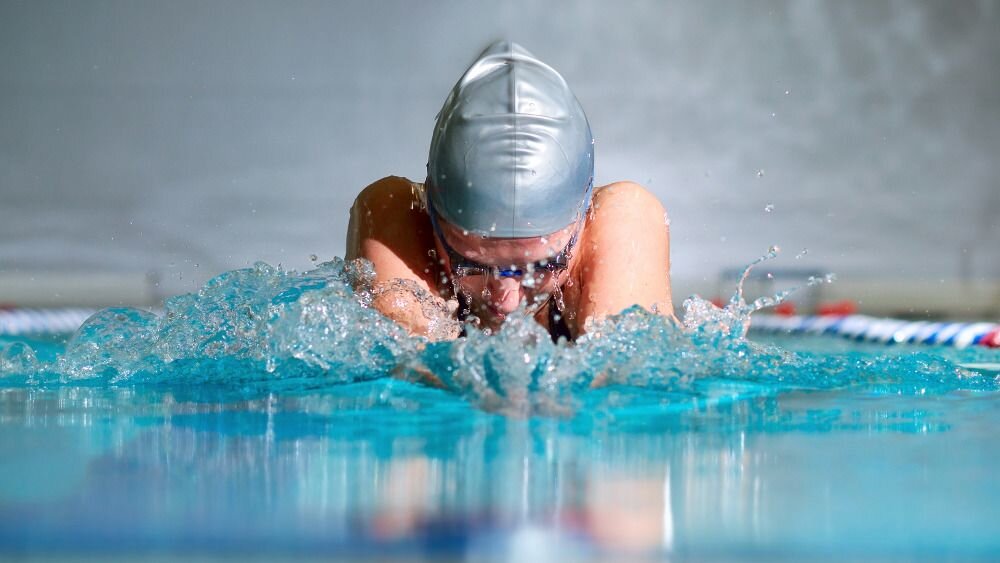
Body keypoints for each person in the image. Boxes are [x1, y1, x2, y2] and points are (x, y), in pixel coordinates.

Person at [346, 41, 672, 342]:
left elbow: (623, 376)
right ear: (431, 213)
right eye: (472, 264)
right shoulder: (396, 215)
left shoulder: (622, 220)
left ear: (583, 219)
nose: (507, 301)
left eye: (542, 266)